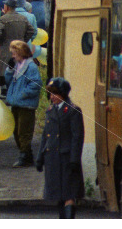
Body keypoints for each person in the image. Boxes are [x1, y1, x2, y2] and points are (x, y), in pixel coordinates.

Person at [36, 77, 85, 218]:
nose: (52, 97)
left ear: (63, 94)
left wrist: (74, 159)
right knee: (59, 195)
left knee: (69, 195)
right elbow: (46, 136)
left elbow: (77, 137)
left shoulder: (73, 111)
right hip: (53, 159)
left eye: (55, 94)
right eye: (50, 94)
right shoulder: (50, 110)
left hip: (66, 159)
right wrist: (40, 157)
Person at [4, 40, 42, 167]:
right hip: (16, 103)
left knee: (24, 131)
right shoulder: (18, 65)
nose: (13, 56)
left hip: (25, 104)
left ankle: (24, 155)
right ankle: (26, 154)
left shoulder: (30, 67)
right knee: (15, 130)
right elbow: (9, 81)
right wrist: (9, 70)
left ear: (21, 53)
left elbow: (35, 85)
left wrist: (22, 94)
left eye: (14, 53)